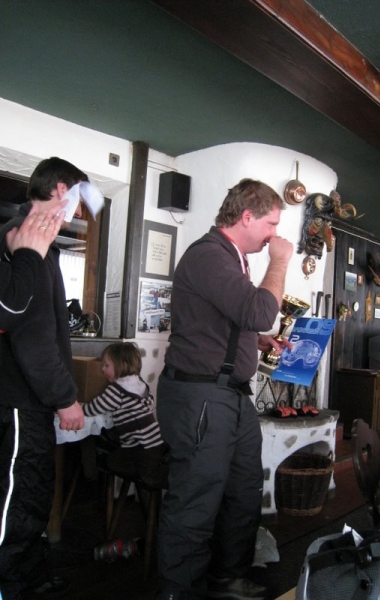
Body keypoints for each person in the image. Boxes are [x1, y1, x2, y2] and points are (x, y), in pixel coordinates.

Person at [156, 178, 293, 600]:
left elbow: (226, 322)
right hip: (201, 397)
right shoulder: (208, 255)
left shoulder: (233, 259)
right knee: (195, 502)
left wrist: (256, 343)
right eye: (271, 224)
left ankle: (227, 579)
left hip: (230, 396)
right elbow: (260, 311)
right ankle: (180, 592)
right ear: (247, 217)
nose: (275, 234)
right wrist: (280, 261)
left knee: (243, 492)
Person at [0, 157, 86, 600]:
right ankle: (12, 586)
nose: (80, 210)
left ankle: (28, 576)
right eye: (79, 197)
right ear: (61, 190)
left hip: (29, 400)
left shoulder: (42, 244)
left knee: (33, 494)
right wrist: (65, 397)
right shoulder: (22, 237)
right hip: (19, 400)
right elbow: (32, 337)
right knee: (18, 499)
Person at [82, 342, 167, 487]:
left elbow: (93, 408)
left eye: (106, 365)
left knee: (111, 460)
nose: (102, 369)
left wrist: (80, 407)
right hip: (157, 443)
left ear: (122, 365)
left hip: (139, 448)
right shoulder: (140, 383)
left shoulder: (117, 390)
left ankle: (152, 474)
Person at [0, 203, 67, 331]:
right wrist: (28, 255)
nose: (79, 213)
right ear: (61, 191)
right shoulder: (21, 231)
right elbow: (7, 311)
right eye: (80, 203)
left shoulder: (30, 235)